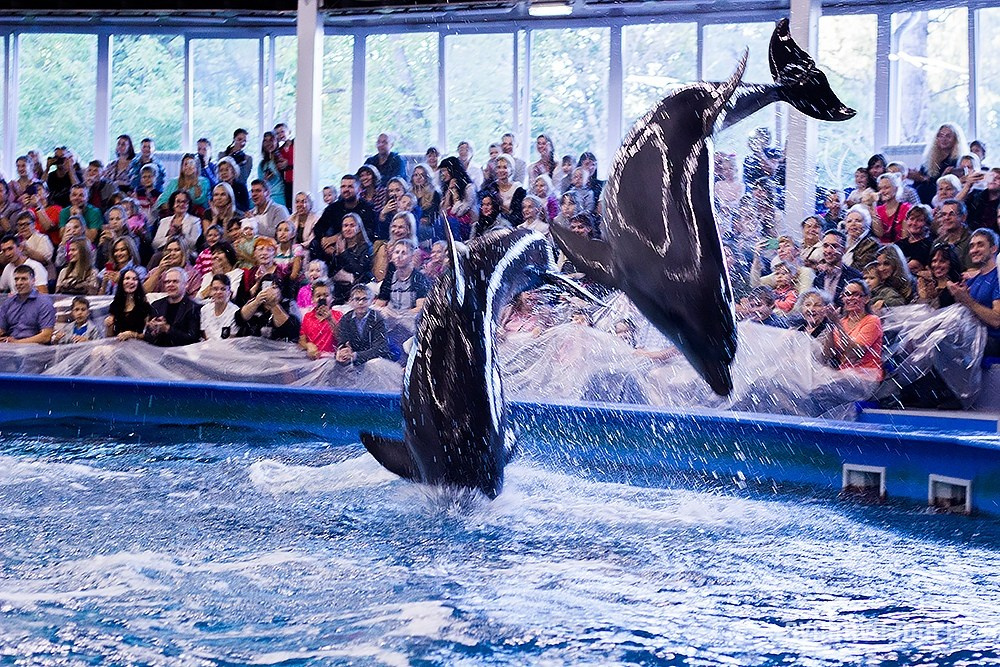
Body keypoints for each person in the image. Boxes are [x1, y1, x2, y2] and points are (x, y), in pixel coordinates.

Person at [946, 228, 1000, 357]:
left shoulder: (998, 278)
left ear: (993, 249)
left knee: (940, 340)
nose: (974, 250)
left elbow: (997, 320)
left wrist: (967, 301)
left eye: (980, 245)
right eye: (971, 246)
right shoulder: (971, 280)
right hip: (971, 334)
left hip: (992, 340)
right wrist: (957, 296)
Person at [824, 279, 883, 381]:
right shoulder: (842, 322)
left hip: (866, 376)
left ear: (866, 299)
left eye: (856, 294)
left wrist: (837, 323)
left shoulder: (873, 321)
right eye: (847, 294)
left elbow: (854, 354)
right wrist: (830, 324)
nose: (850, 298)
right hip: (844, 375)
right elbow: (827, 355)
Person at [311, 175, 378, 264]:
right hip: (332, 246)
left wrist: (339, 237)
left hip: (357, 247)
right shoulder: (333, 208)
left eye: (350, 186)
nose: (346, 190)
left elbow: (369, 232)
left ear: (359, 189)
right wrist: (324, 241)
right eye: (343, 186)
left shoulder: (368, 208)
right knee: (315, 244)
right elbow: (318, 228)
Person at [909, 123, 966, 205]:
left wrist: (925, 179)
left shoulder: (958, 160)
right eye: (941, 136)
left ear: (955, 139)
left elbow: (951, 186)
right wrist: (916, 176)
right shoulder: (929, 160)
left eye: (948, 136)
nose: (944, 139)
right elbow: (920, 181)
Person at [144, 267, 201, 347]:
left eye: (175, 281)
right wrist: (153, 330)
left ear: (185, 284)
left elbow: (193, 339)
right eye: (167, 282)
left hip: (183, 355)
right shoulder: (156, 305)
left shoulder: (194, 308)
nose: (170, 285)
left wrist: (167, 329)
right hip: (157, 353)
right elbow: (148, 337)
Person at [335, 283, 391, 366]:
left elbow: (380, 348)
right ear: (351, 301)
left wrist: (356, 356)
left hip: (374, 361)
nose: (361, 303)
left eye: (365, 299)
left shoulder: (378, 319)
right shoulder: (346, 319)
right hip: (352, 359)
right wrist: (343, 351)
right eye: (357, 299)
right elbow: (343, 340)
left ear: (371, 301)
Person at [0, 264, 55, 344]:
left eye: (24, 279)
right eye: (16, 279)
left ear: (33, 281)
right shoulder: (8, 303)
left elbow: (46, 336)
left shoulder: (44, 302)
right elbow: (1, 329)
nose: (19, 283)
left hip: (34, 349)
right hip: (10, 346)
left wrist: (17, 342)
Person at [375, 239, 430, 316]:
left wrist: (398, 315)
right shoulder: (390, 276)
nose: (399, 256)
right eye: (397, 252)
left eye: (404, 253)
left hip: (410, 321)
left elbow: (420, 308)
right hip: (390, 320)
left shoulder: (419, 278)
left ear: (412, 256)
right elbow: (379, 304)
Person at [235, 279, 299, 342]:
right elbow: (239, 319)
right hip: (250, 345)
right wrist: (256, 302)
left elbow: (291, 329)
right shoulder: (254, 301)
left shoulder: (289, 304)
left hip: (276, 348)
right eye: (266, 286)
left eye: (274, 287)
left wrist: (273, 304)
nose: (268, 290)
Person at [329, 213, 373, 304]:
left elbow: (360, 270)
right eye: (345, 226)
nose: (348, 229)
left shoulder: (366, 247)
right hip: (339, 289)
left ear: (359, 228)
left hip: (358, 288)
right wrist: (337, 254)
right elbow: (333, 272)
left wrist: (344, 253)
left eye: (352, 225)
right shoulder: (340, 245)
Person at [813, 230, 863, 307]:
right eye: (825, 246)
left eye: (834, 246)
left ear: (844, 250)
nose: (828, 251)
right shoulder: (818, 279)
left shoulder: (855, 277)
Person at [299, 280, 342, 359]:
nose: (322, 298)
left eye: (326, 295)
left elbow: (341, 338)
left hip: (333, 361)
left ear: (332, 298)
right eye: (318, 296)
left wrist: (330, 319)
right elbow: (301, 341)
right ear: (312, 299)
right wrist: (308, 345)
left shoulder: (338, 315)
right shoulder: (307, 317)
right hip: (312, 361)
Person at [106, 268, 153, 340]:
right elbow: (109, 336)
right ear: (122, 282)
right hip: (118, 345)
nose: (130, 282)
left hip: (138, 346)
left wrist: (133, 334)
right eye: (127, 278)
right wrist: (109, 325)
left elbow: (150, 336)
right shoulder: (115, 304)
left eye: (134, 279)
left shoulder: (144, 306)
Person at [439, 156, 477, 240]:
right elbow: (443, 213)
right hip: (452, 223)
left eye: (444, 170)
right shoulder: (446, 187)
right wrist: (449, 192)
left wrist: (455, 194)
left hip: (466, 224)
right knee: (439, 223)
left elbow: (460, 212)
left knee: (451, 223)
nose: (442, 174)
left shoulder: (469, 188)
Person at [915, 242, 963, 309]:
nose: (937, 265)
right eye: (934, 261)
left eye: (942, 261)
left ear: (952, 263)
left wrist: (928, 299)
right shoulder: (928, 285)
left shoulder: (957, 286)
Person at [934, 199, 972, 270]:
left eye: (951, 214)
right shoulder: (938, 242)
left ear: (963, 217)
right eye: (944, 214)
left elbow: (971, 271)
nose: (946, 218)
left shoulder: (972, 241)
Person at [200, 273, 240, 341]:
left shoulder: (235, 312)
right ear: (210, 291)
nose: (219, 292)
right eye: (215, 289)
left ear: (229, 292)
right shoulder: (204, 310)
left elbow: (232, 339)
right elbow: (204, 335)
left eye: (223, 289)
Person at [894, 204, 934, 273]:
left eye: (919, 220)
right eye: (911, 219)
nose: (914, 223)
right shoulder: (899, 243)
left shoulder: (929, 244)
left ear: (927, 224)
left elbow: (911, 266)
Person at [873, 173, 911, 243]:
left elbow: (905, 238)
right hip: (882, 249)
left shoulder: (906, 208)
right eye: (880, 188)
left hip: (900, 249)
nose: (882, 191)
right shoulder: (877, 210)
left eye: (886, 188)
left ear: (896, 189)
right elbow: (879, 234)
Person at [842, 205, 879, 270]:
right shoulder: (842, 241)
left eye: (858, 221)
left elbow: (860, 269)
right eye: (849, 221)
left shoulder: (871, 244)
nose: (853, 224)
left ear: (866, 224)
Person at [257, 131, 286, 209]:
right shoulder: (262, 164)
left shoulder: (281, 159)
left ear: (276, 142)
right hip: (266, 197)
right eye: (265, 141)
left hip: (280, 197)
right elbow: (260, 183)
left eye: (271, 140)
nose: (268, 143)